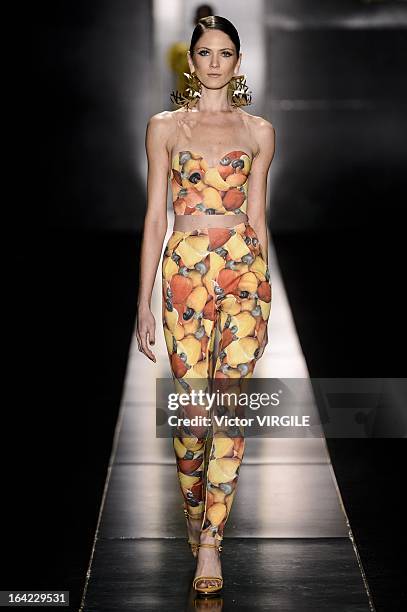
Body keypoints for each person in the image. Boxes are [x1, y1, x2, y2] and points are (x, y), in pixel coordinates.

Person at [136, 15, 275, 596]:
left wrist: (264, 294)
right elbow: (153, 218)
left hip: (242, 270)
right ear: (190, 61)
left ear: (238, 62)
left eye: (224, 53)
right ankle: (193, 510)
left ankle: (212, 541)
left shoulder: (260, 132)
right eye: (204, 52)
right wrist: (143, 302)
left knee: (229, 408)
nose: (214, 62)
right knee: (193, 416)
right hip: (183, 274)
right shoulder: (164, 128)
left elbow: (260, 218)